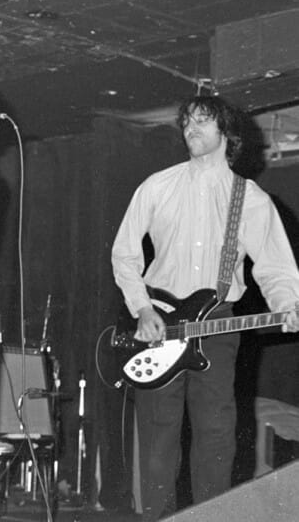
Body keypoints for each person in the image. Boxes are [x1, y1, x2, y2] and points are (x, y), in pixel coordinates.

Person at [110, 94, 299, 520]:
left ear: (226, 133)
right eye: (187, 123)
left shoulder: (248, 198)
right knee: (159, 437)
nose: (191, 129)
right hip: (157, 320)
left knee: (216, 435)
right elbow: (124, 255)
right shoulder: (157, 186)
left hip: (216, 326)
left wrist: (286, 304)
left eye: (202, 122)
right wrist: (142, 309)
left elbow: (275, 266)